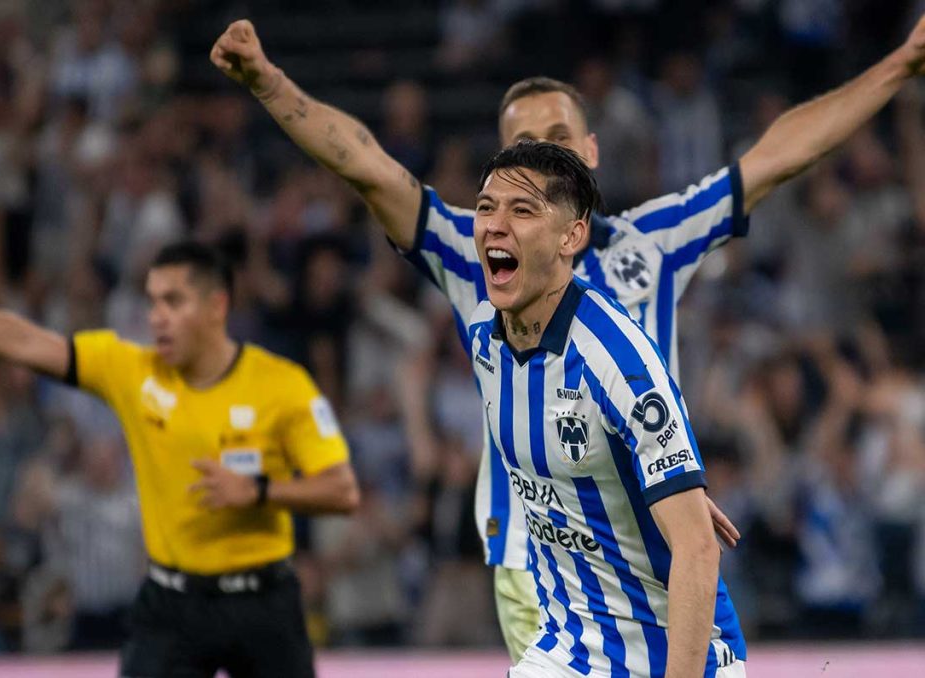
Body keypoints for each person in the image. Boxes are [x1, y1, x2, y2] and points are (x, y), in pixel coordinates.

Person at [209, 13, 925, 661]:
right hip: (536, 556)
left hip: (651, 533)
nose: (543, 156)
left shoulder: (655, 242)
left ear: (589, 150)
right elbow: (365, 165)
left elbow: (778, 154)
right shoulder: (471, 246)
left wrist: (899, 64)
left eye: (557, 140)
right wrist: (270, 84)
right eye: (522, 147)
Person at [0, 240, 359, 677]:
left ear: (217, 306)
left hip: (264, 601)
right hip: (173, 601)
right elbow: (28, 343)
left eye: (173, 302)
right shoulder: (133, 372)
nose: (157, 318)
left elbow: (342, 491)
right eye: (153, 302)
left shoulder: (282, 385)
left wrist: (258, 491)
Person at [475, 139, 744, 675]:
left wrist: (674, 496)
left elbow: (696, 549)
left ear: (572, 236)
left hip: (674, 655)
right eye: (486, 207)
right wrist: (642, 485)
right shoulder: (489, 343)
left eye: (522, 210)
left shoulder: (619, 363)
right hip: (566, 651)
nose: (494, 225)